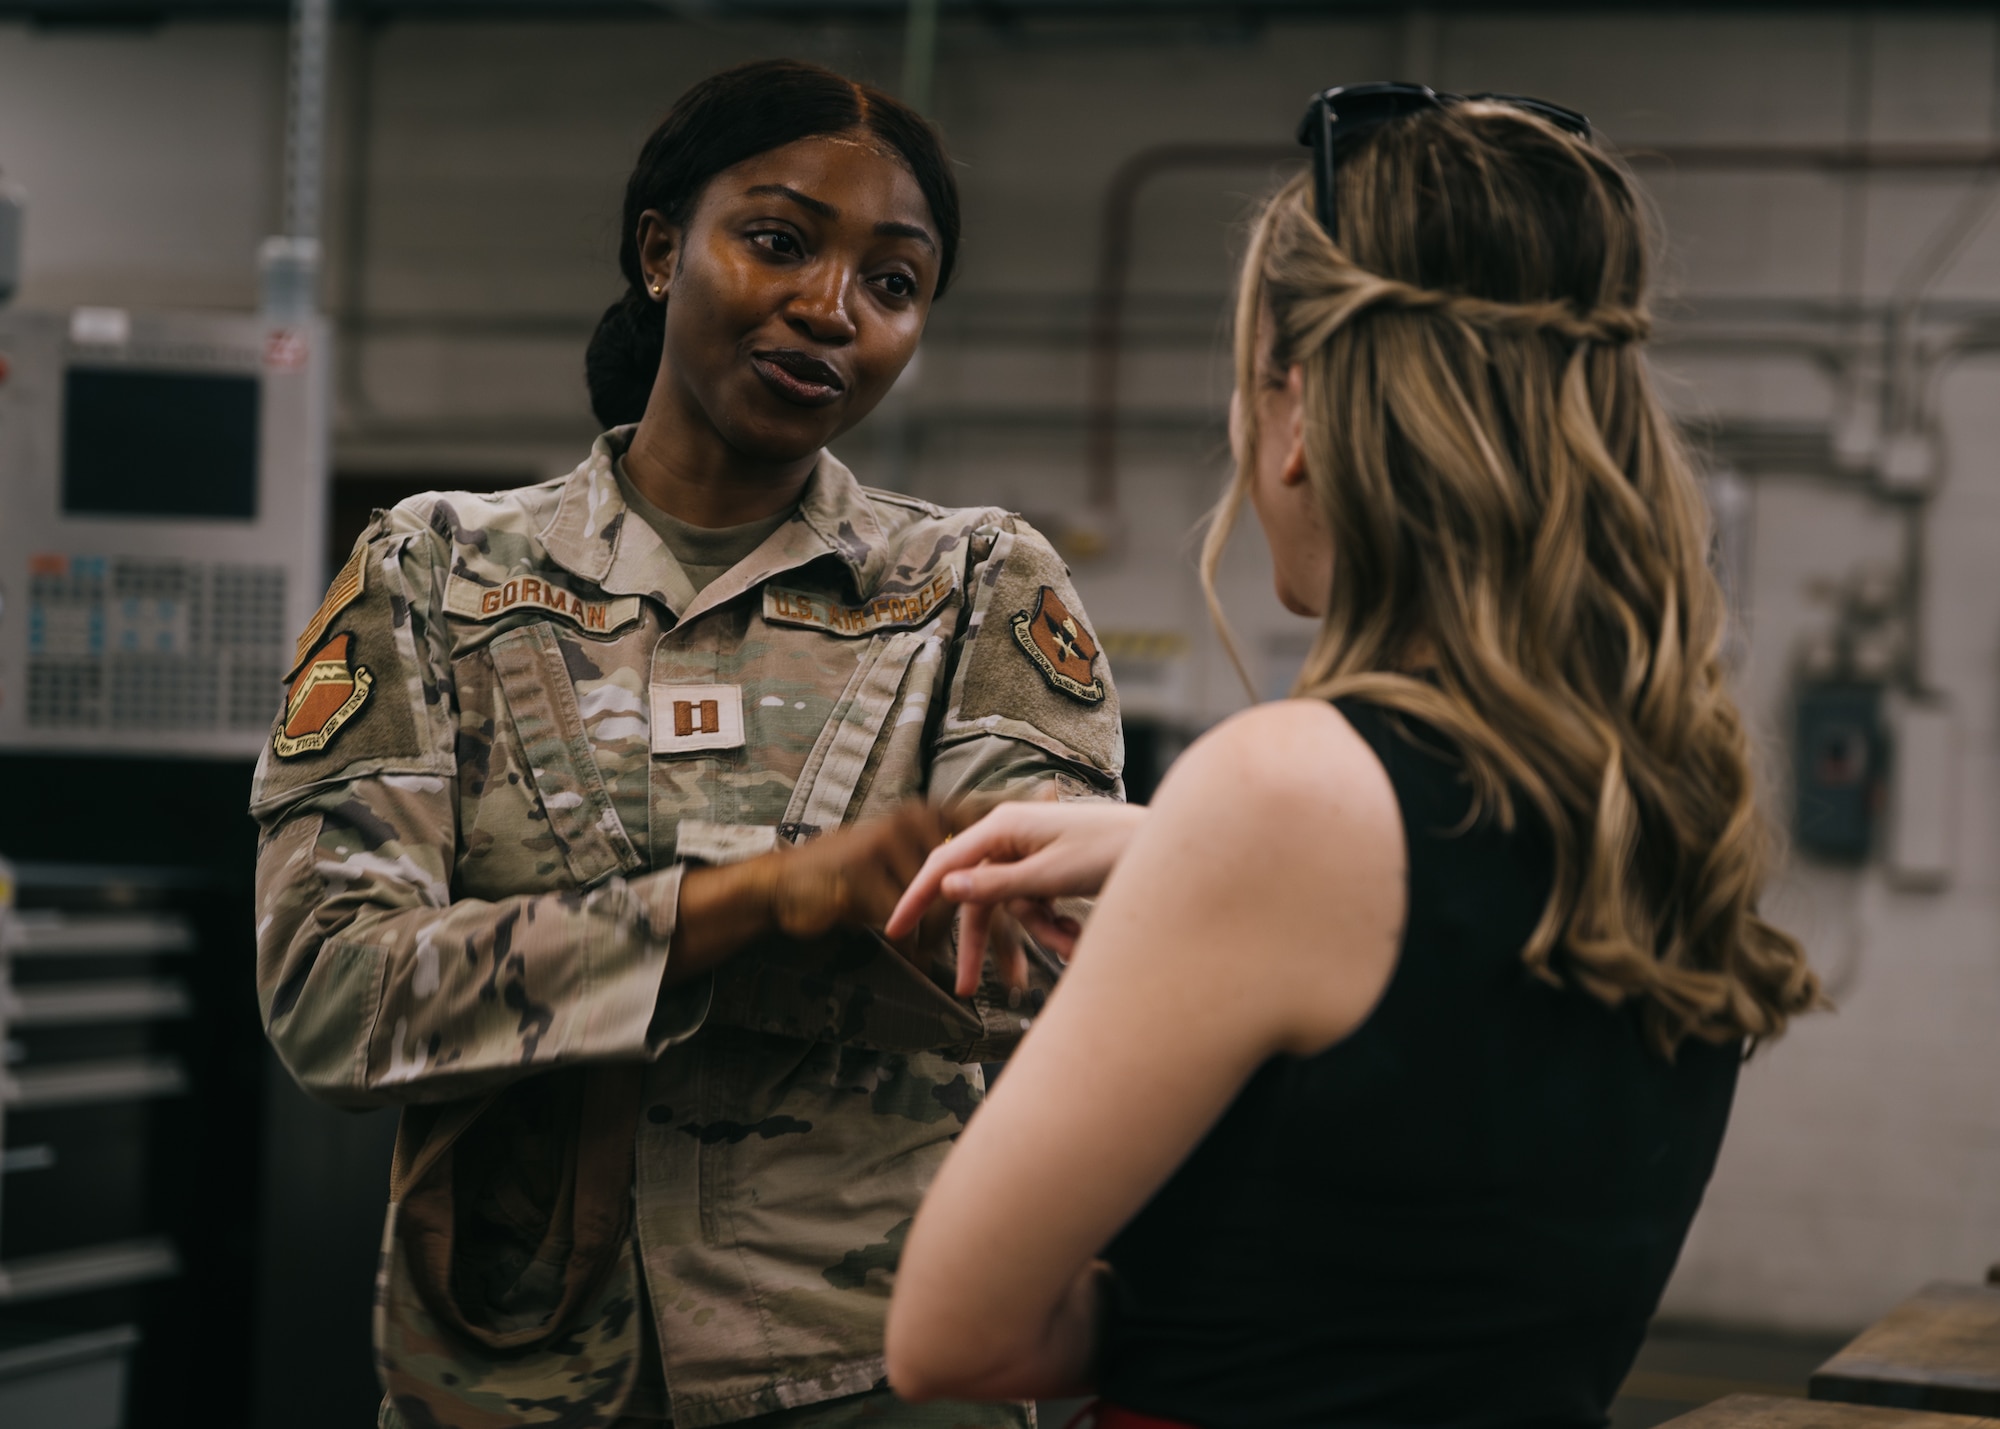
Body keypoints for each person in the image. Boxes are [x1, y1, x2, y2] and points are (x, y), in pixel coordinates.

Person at [881, 86, 1822, 1429]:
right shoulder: (1664, 796)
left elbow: (953, 1331)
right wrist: (1168, 855)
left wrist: (1198, 869)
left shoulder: (1278, 793)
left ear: (1303, 403)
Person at [250, 60, 1124, 1429]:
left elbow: (1044, 977)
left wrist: (560, 957)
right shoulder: (432, 575)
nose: (832, 309)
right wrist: (749, 902)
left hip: (876, 1365)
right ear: (662, 249)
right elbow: (334, 998)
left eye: (894, 284)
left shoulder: (974, 590)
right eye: (778, 241)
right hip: (514, 1376)